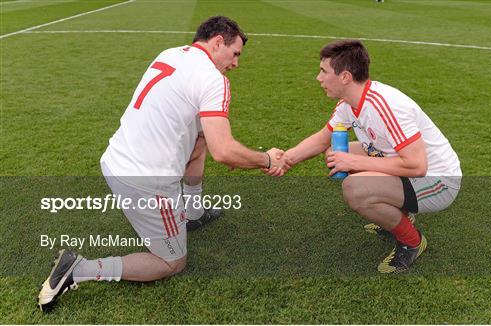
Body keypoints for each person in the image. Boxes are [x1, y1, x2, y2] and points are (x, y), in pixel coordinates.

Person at [38, 16, 289, 311]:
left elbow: (205, 141)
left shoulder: (171, 53)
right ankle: (77, 268)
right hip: (147, 180)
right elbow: (225, 151)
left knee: (200, 138)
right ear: (218, 42)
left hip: (116, 159)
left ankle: (193, 213)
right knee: (171, 261)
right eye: (235, 54)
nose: (236, 63)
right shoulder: (214, 79)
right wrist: (267, 159)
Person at [269, 39, 461, 273]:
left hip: (439, 180)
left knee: (354, 188)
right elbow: (322, 139)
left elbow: (417, 165)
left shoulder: (386, 106)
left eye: (323, 71)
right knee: (336, 151)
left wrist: (352, 162)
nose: (318, 78)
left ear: (345, 77)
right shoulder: (349, 104)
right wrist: (283, 160)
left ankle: (412, 242)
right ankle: (400, 212)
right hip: (411, 168)